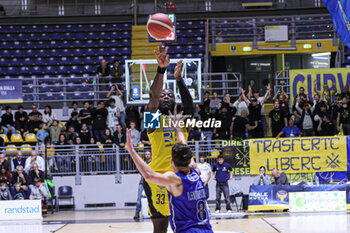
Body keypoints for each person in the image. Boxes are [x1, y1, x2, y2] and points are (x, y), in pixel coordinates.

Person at [126, 112, 212, 233]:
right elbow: (184, 146)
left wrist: (132, 151)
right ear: (189, 160)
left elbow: (149, 175)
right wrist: (177, 127)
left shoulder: (176, 180)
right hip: (207, 229)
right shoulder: (196, 172)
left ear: (171, 162)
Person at [143, 44, 194, 233]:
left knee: (186, 224)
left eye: (169, 95)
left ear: (174, 100)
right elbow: (153, 98)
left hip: (181, 178)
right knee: (161, 227)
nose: (165, 96)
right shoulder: (154, 121)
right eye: (163, 94)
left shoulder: (181, 120)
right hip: (157, 177)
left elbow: (190, 108)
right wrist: (161, 70)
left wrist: (179, 79)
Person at [134, 150, 152, 220]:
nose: (147, 155)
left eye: (148, 154)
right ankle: (137, 213)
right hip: (142, 181)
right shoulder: (143, 163)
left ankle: (152, 212)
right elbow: (138, 170)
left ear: (151, 155)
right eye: (146, 154)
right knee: (139, 198)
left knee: (151, 198)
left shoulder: (153, 163)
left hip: (151, 182)